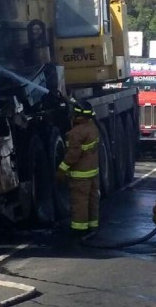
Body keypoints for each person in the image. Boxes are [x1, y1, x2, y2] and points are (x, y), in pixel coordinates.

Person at [56, 100, 100, 238]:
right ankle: (93, 227)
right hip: (93, 172)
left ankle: (79, 230)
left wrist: (62, 169)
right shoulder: (93, 127)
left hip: (80, 175)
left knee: (79, 202)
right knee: (92, 200)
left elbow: (73, 155)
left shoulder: (76, 133)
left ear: (79, 116)